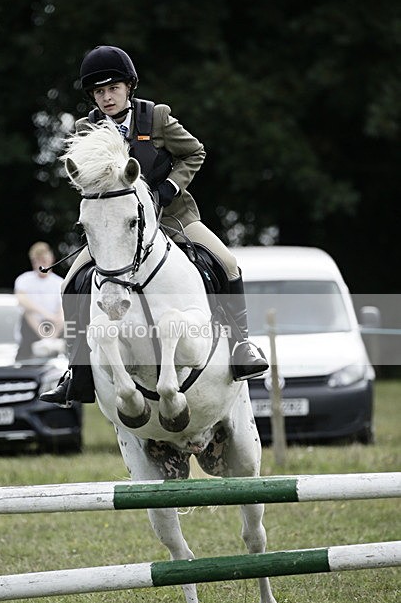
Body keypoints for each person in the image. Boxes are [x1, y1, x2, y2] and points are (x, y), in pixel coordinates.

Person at [41, 45, 268, 405]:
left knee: (227, 263)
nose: (106, 97)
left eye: (113, 88)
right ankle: (77, 370)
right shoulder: (87, 128)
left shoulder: (156, 117)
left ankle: (241, 345)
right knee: (71, 284)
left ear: (128, 86)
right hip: (117, 227)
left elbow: (195, 151)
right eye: (99, 92)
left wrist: (170, 187)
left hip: (173, 215)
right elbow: (83, 179)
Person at [14, 242, 64, 358]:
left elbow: (62, 310)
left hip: (54, 327)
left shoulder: (59, 282)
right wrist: (46, 314)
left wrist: (53, 334)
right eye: (38, 260)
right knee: (28, 312)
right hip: (31, 329)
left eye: (44, 260)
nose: (41, 264)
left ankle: (49, 341)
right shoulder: (24, 279)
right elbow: (22, 300)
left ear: (51, 259)